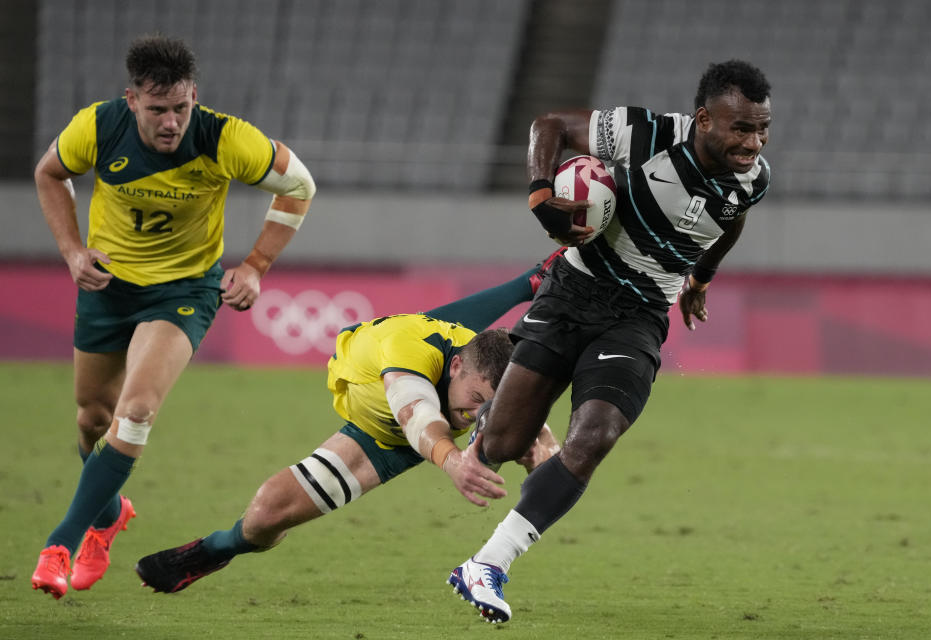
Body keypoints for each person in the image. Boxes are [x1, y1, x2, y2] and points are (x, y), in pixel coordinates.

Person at [447, 59, 772, 623]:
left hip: (640, 316)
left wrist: (700, 277)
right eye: (741, 128)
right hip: (573, 290)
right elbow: (548, 124)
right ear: (703, 119)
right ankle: (490, 409)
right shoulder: (644, 133)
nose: (754, 142)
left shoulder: (754, 177)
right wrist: (540, 194)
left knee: (595, 433)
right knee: (498, 447)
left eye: (763, 128)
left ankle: (488, 563)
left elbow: (732, 217)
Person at [30, 34, 317, 600]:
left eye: (181, 108)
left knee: (135, 412)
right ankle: (110, 516)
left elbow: (299, 186)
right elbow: (49, 173)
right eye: (158, 110)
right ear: (132, 99)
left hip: (183, 291)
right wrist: (71, 251)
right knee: (93, 419)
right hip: (108, 286)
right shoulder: (96, 126)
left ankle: (61, 540)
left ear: (194, 98)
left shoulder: (225, 137)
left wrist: (256, 264)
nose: (171, 122)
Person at [133, 261, 563, 593]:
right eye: (475, 401)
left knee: (477, 379)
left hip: (406, 428)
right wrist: (452, 463)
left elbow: (537, 440)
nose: (476, 415)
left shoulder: (478, 369)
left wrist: (540, 460)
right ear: (455, 369)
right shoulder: (409, 351)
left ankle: (530, 282)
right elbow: (415, 412)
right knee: (265, 516)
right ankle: (219, 549)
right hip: (388, 425)